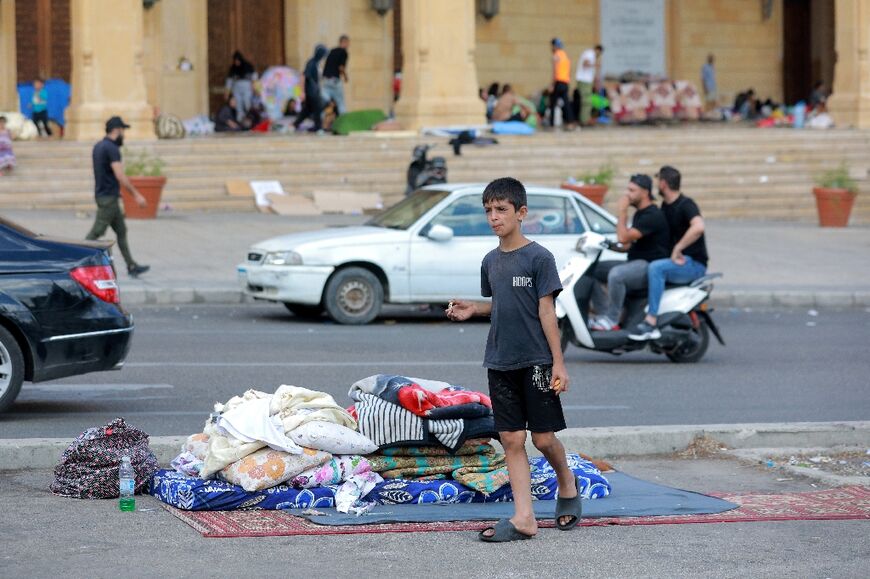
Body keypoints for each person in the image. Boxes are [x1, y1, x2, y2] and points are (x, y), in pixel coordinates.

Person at [446, 177, 582, 543]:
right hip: (499, 360)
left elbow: (546, 312)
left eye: (501, 210)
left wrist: (558, 362)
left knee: (543, 438)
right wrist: (474, 308)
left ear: (521, 213)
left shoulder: (539, 258)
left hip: (537, 361)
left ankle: (566, 482)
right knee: (510, 438)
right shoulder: (490, 261)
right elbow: (503, 305)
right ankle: (525, 517)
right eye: (488, 210)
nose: (494, 217)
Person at [629, 166, 708, 341]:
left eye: (658, 181)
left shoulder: (686, 205)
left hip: (693, 264)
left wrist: (678, 248)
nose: (657, 184)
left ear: (663, 184)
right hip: (678, 262)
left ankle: (650, 322)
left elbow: (699, 226)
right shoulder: (665, 206)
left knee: (656, 268)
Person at [588, 174, 669, 331]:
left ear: (645, 192)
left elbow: (623, 237)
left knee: (616, 274)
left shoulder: (652, 215)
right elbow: (626, 245)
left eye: (632, 190)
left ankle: (612, 320)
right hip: (635, 261)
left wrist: (622, 210)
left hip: (648, 265)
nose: (627, 194)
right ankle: (604, 313)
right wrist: (605, 244)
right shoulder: (640, 213)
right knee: (592, 270)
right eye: (627, 189)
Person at [85, 117, 150, 277]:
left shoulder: (98, 146)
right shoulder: (112, 148)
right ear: (116, 130)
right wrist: (137, 195)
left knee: (121, 230)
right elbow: (120, 175)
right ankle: (76, 261)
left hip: (104, 194)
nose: (124, 135)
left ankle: (131, 265)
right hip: (108, 197)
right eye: (123, 130)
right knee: (96, 232)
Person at [294, 44, 329, 134]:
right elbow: (303, 76)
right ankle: (318, 127)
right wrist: (302, 92)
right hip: (310, 92)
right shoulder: (311, 63)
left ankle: (295, 124)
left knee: (307, 110)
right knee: (317, 108)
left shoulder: (317, 64)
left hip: (314, 91)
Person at [321, 35, 350, 116]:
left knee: (324, 103)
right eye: (348, 43)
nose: (348, 45)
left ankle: (319, 122)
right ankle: (344, 122)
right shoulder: (343, 52)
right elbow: (341, 67)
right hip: (335, 81)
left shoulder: (332, 51)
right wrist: (345, 77)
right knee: (340, 103)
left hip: (326, 80)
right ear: (344, 42)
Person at [549, 38, 575, 129]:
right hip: (565, 82)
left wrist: (552, 84)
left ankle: (551, 124)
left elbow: (555, 71)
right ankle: (570, 122)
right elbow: (569, 71)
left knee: (552, 102)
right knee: (566, 103)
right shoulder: (565, 56)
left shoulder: (556, 56)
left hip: (558, 81)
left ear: (555, 46)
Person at [576, 45, 603, 126]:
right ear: (597, 50)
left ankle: (585, 118)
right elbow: (585, 63)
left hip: (587, 81)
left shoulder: (592, 55)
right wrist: (595, 65)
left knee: (588, 101)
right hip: (584, 80)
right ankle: (584, 120)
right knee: (586, 101)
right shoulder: (590, 53)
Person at [226, 50, 256, 122]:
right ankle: (240, 120)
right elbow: (229, 81)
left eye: (238, 60)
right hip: (236, 88)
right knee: (238, 104)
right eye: (235, 61)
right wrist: (227, 91)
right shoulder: (233, 68)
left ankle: (250, 119)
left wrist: (254, 85)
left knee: (247, 102)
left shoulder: (248, 66)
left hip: (247, 87)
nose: (237, 62)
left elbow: (254, 76)